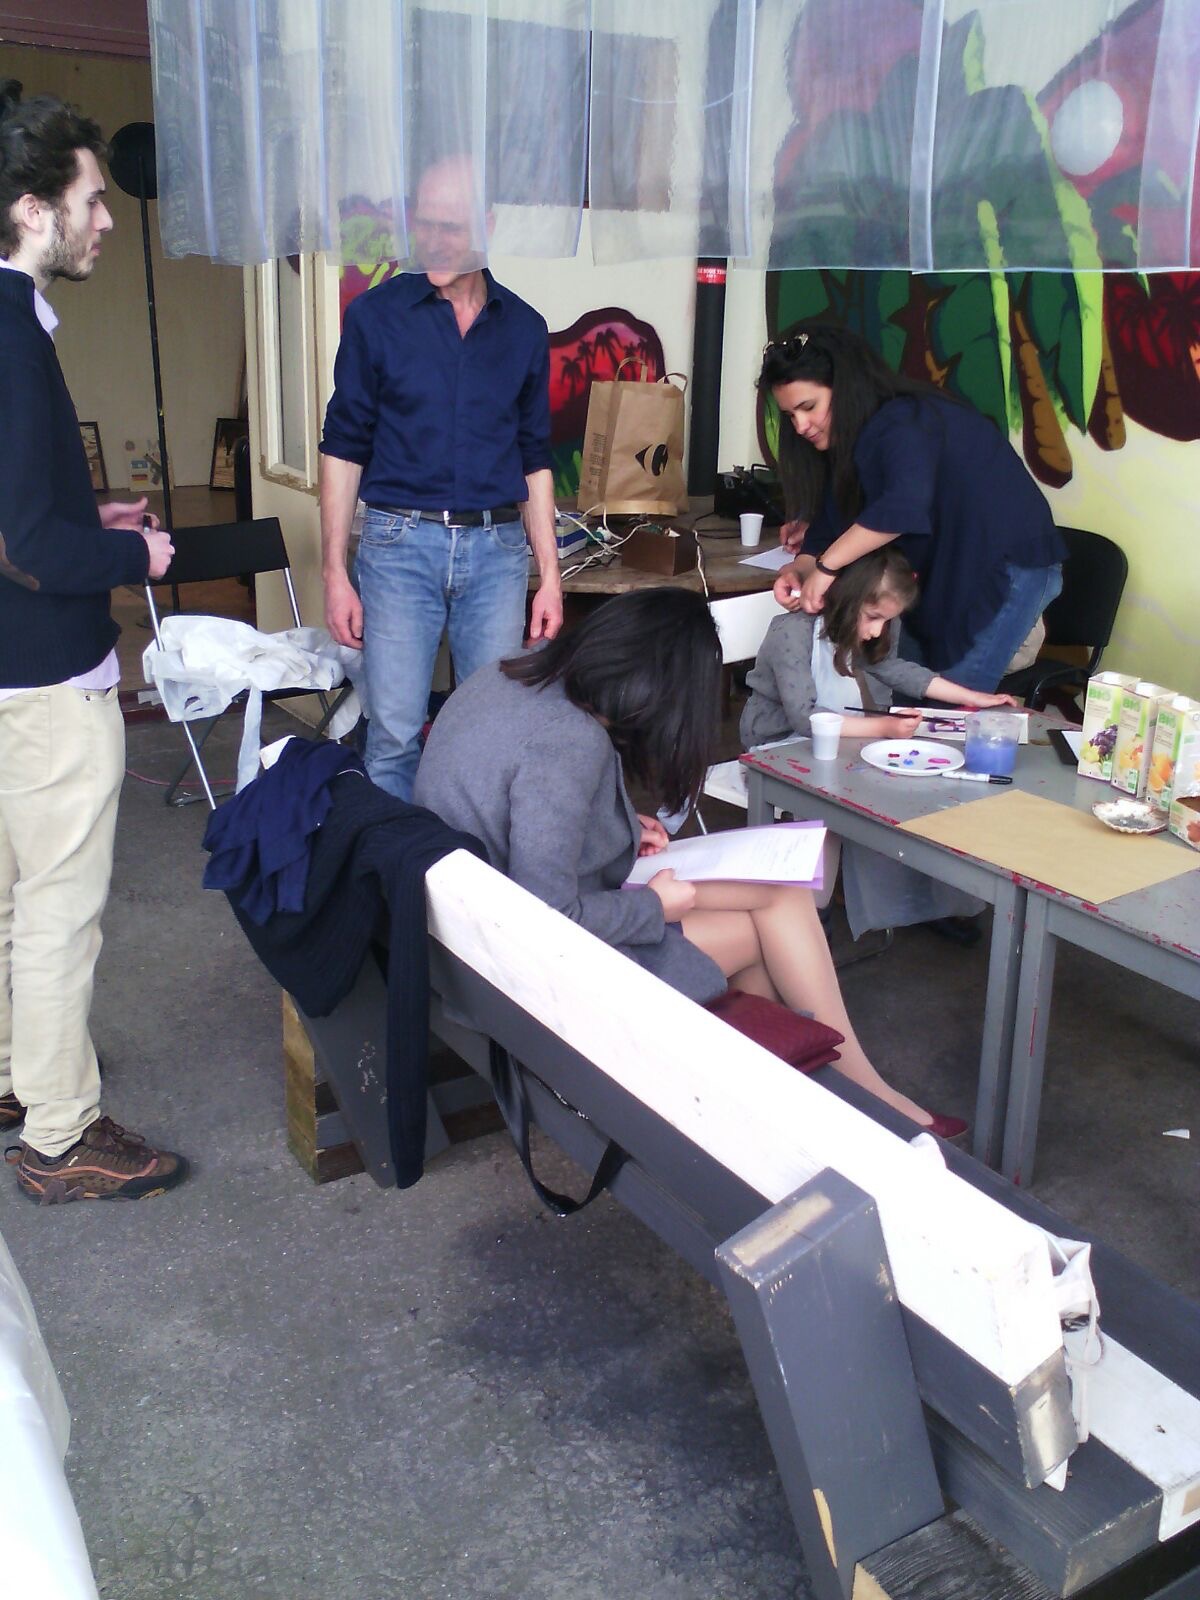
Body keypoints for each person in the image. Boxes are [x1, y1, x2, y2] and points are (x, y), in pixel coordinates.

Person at [414, 588, 963, 1135]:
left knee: (781, 893)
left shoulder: (515, 675)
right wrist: (655, 907)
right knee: (763, 934)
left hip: (466, 929)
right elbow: (549, 914)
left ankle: (825, 1095)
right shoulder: (569, 742)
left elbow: (523, 798)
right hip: (523, 965)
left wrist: (621, 823)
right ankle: (840, 1106)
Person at [0, 83, 185, 1201]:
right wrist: (134, 554)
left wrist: (89, 512)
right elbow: (30, 546)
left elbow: (17, 514)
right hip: (44, 678)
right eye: (91, 200)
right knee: (58, 912)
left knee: (10, 897)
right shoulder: (14, 337)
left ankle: (16, 1078)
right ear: (34, 211)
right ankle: (61, 1137)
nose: (107, 219)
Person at [319, 153, 563, 802]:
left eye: (450, 226)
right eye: (423, 223)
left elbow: (535, 458)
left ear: (486, 225)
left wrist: (550, 578)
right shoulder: (375, 317)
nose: (434, 240)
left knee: (489, 734)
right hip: (399, 548)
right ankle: (394, 866)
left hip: (498, 553)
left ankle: (467, 866)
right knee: (394, 735)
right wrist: (334, 571)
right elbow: (343, 446)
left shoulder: (524, 328)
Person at [761, 324, 1066, 691]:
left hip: (1001, 566)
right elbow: (827, 527)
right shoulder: (848, 440)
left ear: (845, 388)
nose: (800, 426)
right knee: (913, 696)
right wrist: (800, 571)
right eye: (790, 415)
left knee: (948, 705)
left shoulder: (902, 421)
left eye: (808, 407)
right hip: (945, 575)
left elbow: (900, 508)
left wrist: (827, 567)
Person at [742, 547, 1017, 941]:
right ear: (847, 599)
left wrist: (974, 698)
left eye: (886, 620)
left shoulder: (873, 627)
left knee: (914, 793)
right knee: (825, 813)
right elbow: (804, 717)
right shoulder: (792, 631)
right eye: (872, 618)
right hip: (778, 746)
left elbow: (893, 668)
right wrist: (883, 728)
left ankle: (923, 900)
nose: (876, 631)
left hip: (841, 741)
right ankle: (812, 924)